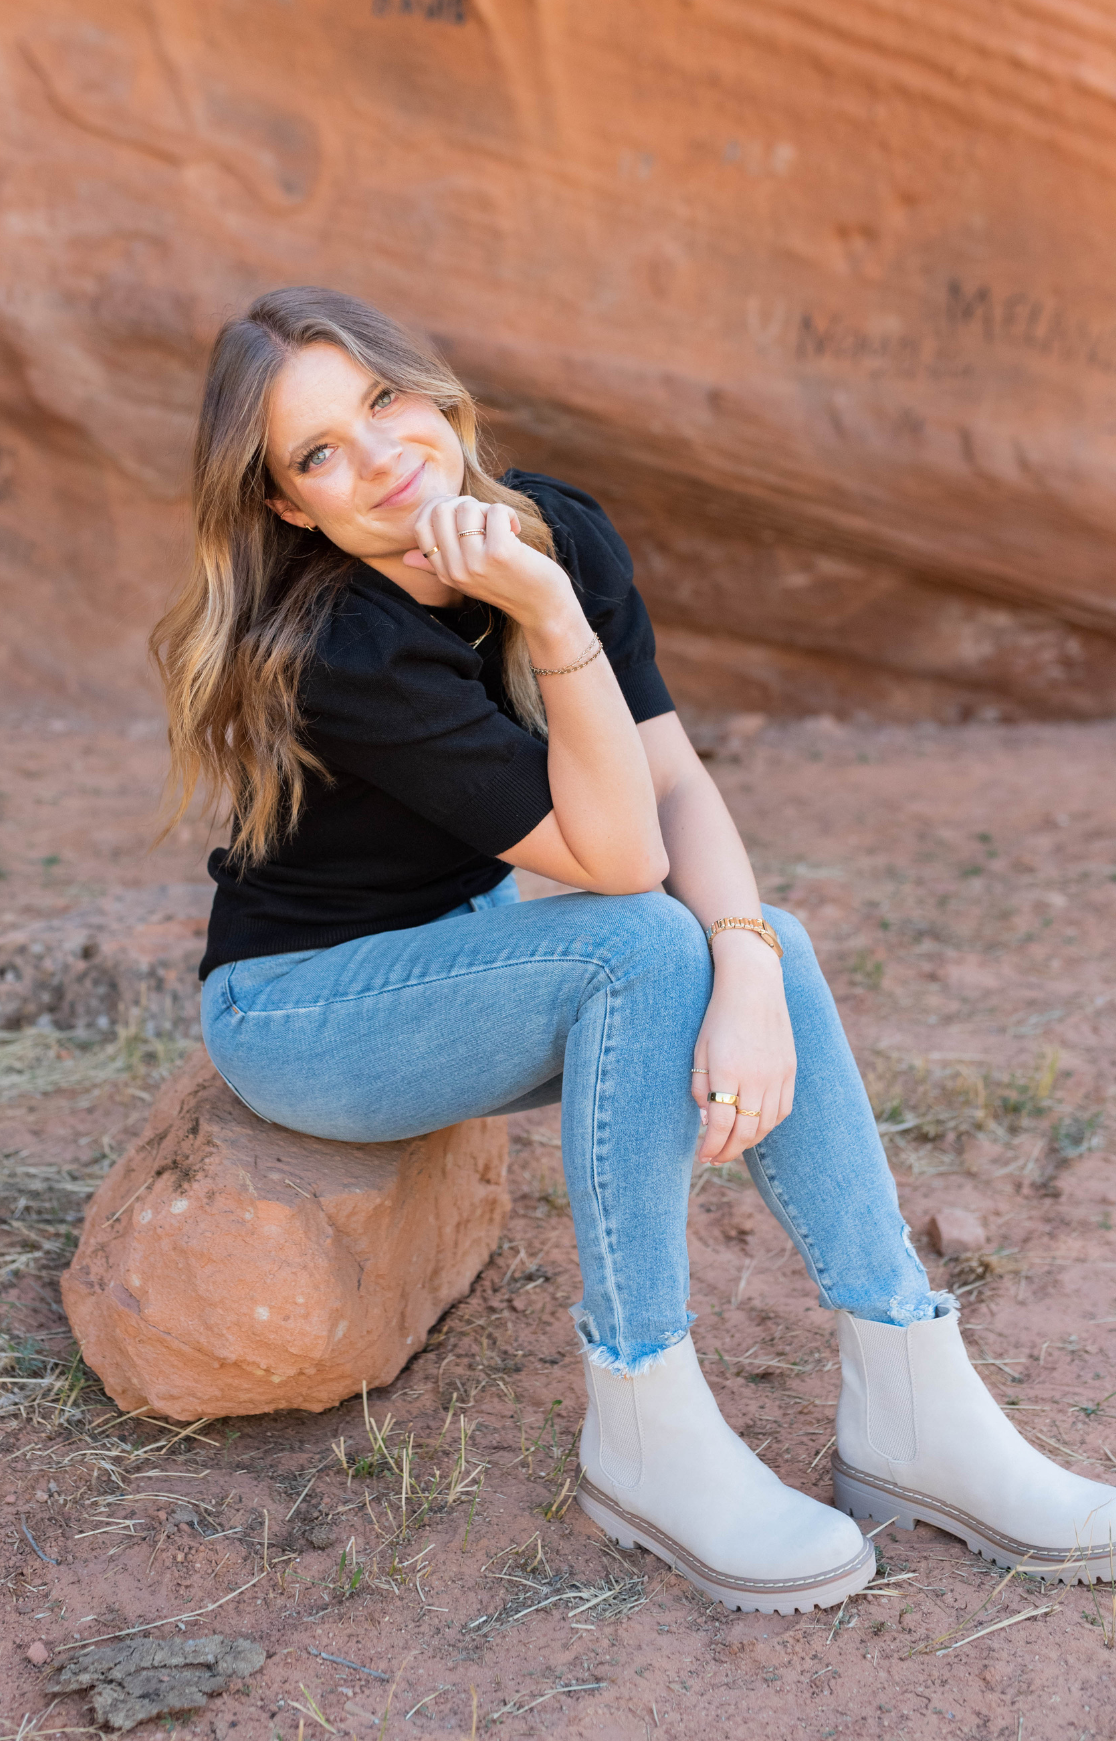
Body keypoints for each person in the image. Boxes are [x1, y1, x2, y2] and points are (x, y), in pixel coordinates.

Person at [151, 285, 1114, 1615]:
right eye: (318, 453)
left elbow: (669, 785)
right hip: (312, 1012)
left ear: (431, 392)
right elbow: (618, 869)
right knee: (643, 946)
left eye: (382, 401)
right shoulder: (344, 645)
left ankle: (913, 1402)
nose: (379, 458)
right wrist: (547, 621)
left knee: (745, 934)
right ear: (287, 509)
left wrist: (753, 969)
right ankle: (644, 1428)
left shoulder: (556, 527)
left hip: (477, 940)